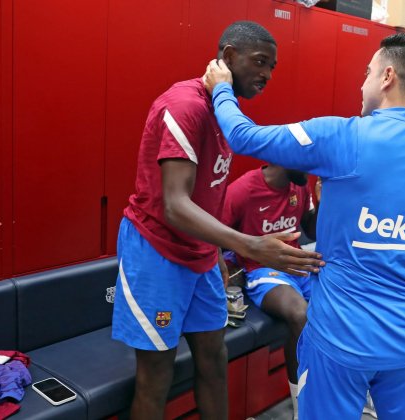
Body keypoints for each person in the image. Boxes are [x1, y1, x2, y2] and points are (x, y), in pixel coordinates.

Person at [205, 33, 405, 419]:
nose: (361, 82)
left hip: (337, 341)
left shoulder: (341, 136)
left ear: (387, 77)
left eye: (367, 72)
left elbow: (242, 135)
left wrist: (222, 90)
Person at [111, 21, 323, 420]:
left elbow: (212, 187)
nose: (267, 75)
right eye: (260, 62)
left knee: (213, 359)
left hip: (201, 257)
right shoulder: (185, 105)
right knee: (156, 376)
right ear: (227, 57)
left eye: (273, 67)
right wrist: (247, 245)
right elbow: (175, 204)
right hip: (157, 253)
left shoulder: (227, 109)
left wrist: (216, 256)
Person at [221, 165, 318, 420]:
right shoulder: (243, 190)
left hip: (298, 265)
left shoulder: (300, 184)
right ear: (283, 157)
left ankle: (335, 393)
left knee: (343, 302)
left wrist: (324, 202)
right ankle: (303, 411)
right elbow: (215, 236)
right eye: (303, 160)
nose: (309, 169)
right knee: (301, 314)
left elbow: (312, 231)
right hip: (261, 270)